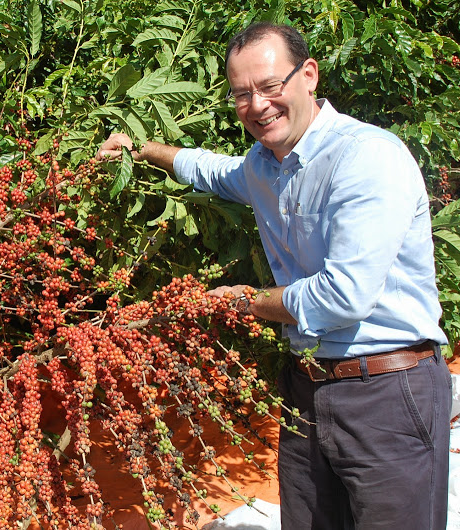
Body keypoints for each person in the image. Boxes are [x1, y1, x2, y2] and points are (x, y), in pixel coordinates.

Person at [97, 22, 451, 530]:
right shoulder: (266, 166)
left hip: (388, 394)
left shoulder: (365, 157)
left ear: (308, 76)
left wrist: (244, 301)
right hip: (307, 390)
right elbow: (211, 170)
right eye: (242, 94)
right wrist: (143, 150)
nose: (258, 105)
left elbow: (344, 296)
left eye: (269, 86)